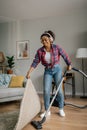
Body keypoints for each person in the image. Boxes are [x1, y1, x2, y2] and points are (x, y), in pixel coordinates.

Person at [26, 30, 72, 118]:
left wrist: (69, 64)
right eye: (42, 40)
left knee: (59, 90)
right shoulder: (40, 51)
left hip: (57, 69)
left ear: (50, 40)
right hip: (47, 71)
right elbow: (35, 62)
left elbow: (65, 55)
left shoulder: (56, 47)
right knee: (46, 90)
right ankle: (47, 110)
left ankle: (61, 108)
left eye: (46, 40)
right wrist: (29, 72)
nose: (44, 42)